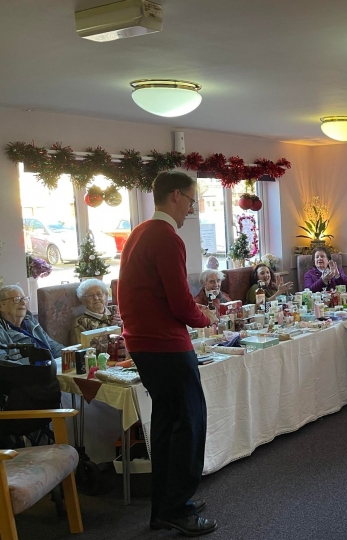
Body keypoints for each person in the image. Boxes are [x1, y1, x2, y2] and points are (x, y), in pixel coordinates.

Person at [118, 171, 219, 536]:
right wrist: (204, 317)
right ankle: (178, 508)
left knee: (165, 425)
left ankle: (163, 506)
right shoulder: (166, 237)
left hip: (143, 344)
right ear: (175, 196)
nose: (191, 209)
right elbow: (179, 302)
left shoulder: (139, 233)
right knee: (189, 424)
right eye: (191, 201)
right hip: (166, 345)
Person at [0, 285, 64, 360]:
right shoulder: (2, 332)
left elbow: (52, 346)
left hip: (53, 367)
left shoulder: (30, 321)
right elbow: (5, 364)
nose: (23, 302)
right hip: (32, 370)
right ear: (1, 306)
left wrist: (71, 354)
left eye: (24, 299)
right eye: (17, 299)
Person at [73, 278, 123, 345]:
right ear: (83, 300)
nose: (96, 298)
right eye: (90, 296)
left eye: (99, 294)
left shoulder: (116, 310)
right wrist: (110, 330)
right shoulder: (81, 322)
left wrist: (123, 323)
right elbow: (82, 349)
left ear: (106, 296)